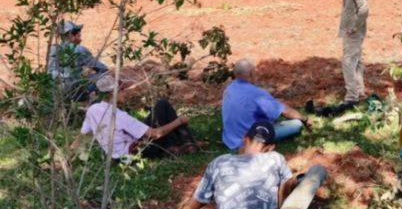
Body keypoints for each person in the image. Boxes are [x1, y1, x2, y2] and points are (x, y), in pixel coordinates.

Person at [178, 120, 327, 209]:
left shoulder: (218, 163)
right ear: (271, 147)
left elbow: (193, 206)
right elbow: (280, 200)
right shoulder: (275, 158)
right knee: (318, 171)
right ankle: (302, 180)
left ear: (245, 138)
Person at [73, 75, 207, 159]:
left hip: (116, 155)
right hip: (135, 152)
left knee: (159, 112)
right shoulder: (120, 116)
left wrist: (68, 156)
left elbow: (82, 135)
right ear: (112, 94)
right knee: (163, 105)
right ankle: (188, 143)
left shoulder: (93, 109)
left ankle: (174, 146)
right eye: (122, 91)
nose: (125, 93)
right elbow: (156, 134)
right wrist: (179, 121)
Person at [221, 59, 313, 151]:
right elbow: (285, 111)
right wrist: (305, 119)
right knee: (296, 124)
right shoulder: (256, 93)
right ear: (251, 74)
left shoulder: (229, 89)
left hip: (230, 138)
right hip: (250, 141)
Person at [47, 21, 109, 102]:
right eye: (78, 36)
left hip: (54, 93)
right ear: (71, 36)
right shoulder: (79, 49)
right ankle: (94, 100)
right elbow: (102, 68)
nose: (80, 39)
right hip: (74, 92)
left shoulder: (53, 49)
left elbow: (50, 71)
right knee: (105, 76)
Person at [338, 0, 369, 104]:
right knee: (355, 62)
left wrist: (353, 27)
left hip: (353, 33)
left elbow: (363, 9)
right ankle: (359, 91)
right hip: (351, 32)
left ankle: (351, 97)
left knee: (348, 62)